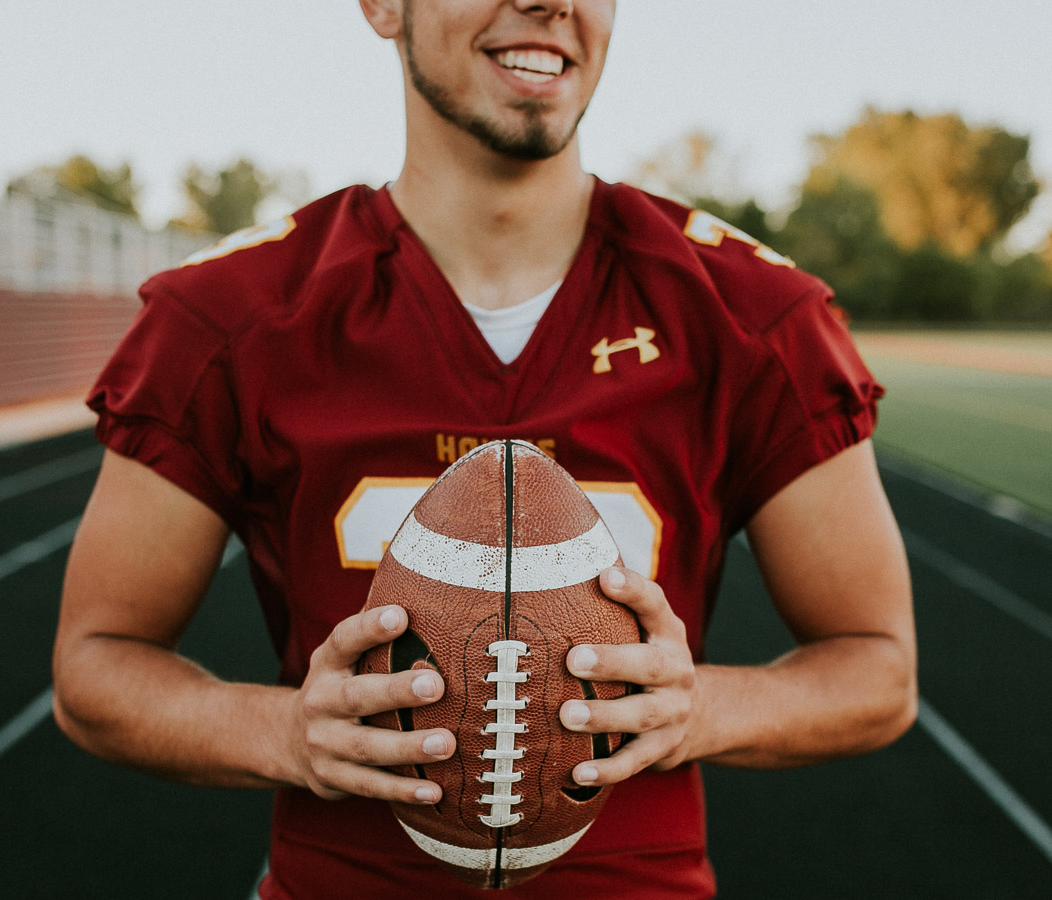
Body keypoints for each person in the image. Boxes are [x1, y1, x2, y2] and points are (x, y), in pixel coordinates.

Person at [52, 1, 916, 897]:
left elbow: (878, 667)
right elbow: (97, 661)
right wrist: (285, 733)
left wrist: (699, 709)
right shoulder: (235, 313)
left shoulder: (748, 310)